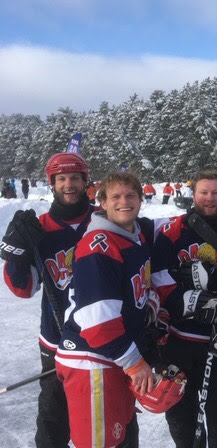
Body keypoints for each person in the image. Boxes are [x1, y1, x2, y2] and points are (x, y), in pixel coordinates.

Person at [54, 172, 159, 448]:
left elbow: (139, 290)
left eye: (130, 195)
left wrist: (150, 309)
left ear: (140, 199)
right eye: (115, 196)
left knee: (120, 437)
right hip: (93, 361)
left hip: (112, 360)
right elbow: (98, 321)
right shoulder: (98, 245)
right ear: (101, 201)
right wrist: (135, 364)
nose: (124, 202)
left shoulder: (133, 237)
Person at [1, 152, 94, 448]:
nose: (69, 185)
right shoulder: (38, 228)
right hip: (56, 341)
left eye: (75, 178)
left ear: (85, 182)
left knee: (105, 421)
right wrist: (17, 255)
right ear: (52, 183)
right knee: (53, 423)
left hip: (102, 342)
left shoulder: (105, 220)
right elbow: (24, 289)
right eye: (62, 179)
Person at [151, 170, 217, 448]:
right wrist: (187, 301)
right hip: (179, 340)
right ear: (194, 195)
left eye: (215, 192)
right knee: (181, 418)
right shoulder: (173, 229)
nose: (209, 198)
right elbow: (156, 274)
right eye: (204, 192)